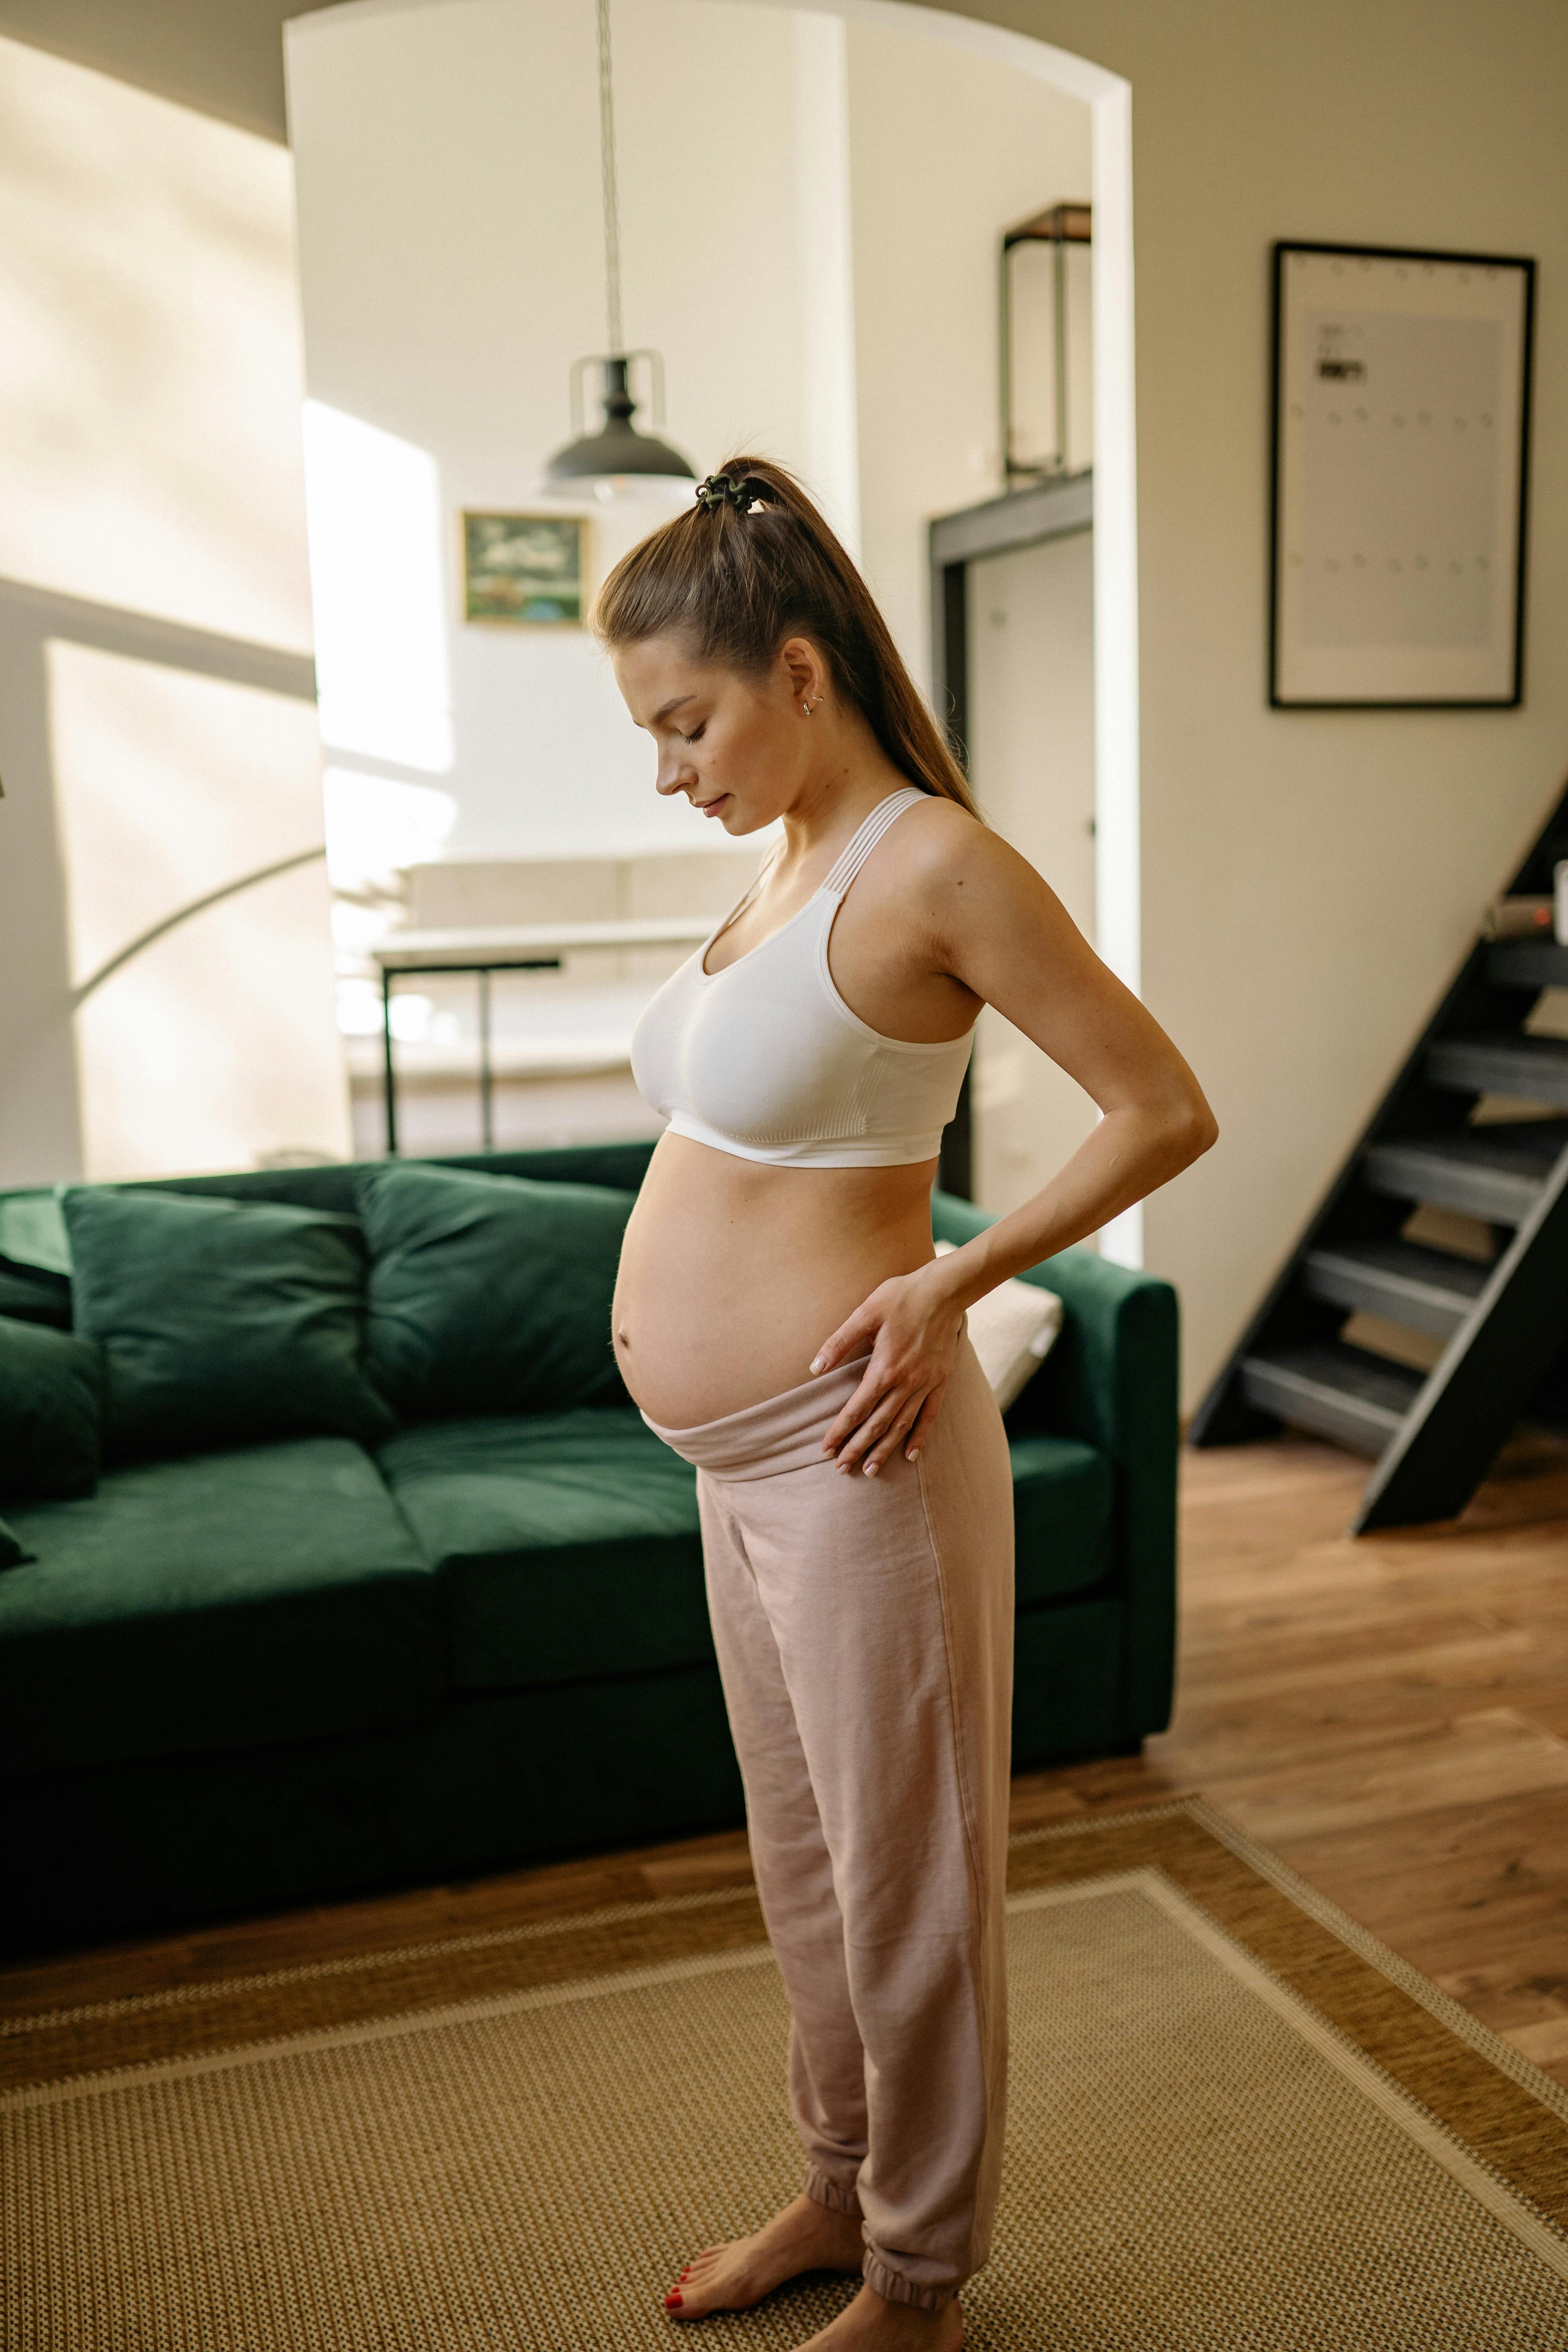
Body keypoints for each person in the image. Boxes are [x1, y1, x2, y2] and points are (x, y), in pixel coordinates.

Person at [595, 458, 1216, 2351]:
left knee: (910, 1880)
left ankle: (921, 2281)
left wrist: (954, 1278)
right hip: (736, 1465)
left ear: (798, 672)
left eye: (683, 721)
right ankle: (836, 2190)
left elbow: (1161, 1104)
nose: (669, 768)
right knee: (807, 1862)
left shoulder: (932, 862)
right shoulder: (781, 867)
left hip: (854, 1449)